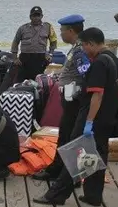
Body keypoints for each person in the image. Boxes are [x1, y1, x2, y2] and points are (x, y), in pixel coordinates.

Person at [34, 28, 118, 207]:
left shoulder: (99, 63)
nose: (82, 49)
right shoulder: (114, 59)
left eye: (83, 45)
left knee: (76, 154)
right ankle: (93, 195)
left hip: (93, 115)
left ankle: (57, 194)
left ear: (90, 43)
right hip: (108, 117)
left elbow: (97, 96)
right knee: (98, 154)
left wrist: (88, 122)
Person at [33, 14, 91, 181]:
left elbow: (85, 75)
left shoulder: (80, 50)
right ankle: (60, 170)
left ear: (71, 31)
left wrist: (77, 95)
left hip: (75, 100)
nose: (61, 34)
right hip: (70, 99)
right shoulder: (76, 48)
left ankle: (73, 175)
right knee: (66, 136)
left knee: (72, 137)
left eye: (62, 31)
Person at [11, 6, 58, 82]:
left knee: (39, 82)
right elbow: (15, 42)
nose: (36, 18)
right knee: (20, 81)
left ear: (42, 16)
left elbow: (53, 41)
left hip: (41, 58)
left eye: (38, 15)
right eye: (34, 15)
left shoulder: (48, 27)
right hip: (25, 58)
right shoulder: (23, 28)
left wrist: (50, 54)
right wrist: (15, 58)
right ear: (30, 17)